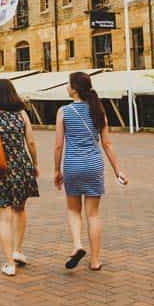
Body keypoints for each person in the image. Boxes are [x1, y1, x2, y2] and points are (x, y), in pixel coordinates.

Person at [54, 71, 126, 272]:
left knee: (73, 210)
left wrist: (56, 170)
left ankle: (77, 245)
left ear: (75, 89)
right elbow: (107, 143)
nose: (67, 88)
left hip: (72, 166)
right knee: (93, 214)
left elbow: (58, 146)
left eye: (68, 84)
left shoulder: (64, 111)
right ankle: (94, 261)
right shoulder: (98, 109)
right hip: (94, 165)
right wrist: (118, 171)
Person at [0, 79, 39, 277]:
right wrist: (35, 164)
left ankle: (9, 263)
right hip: (22, 167)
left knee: (4, 216)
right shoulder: (22, 114)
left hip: (0, 170)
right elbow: (31, 142)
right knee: (20, 209)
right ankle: (18, 251)